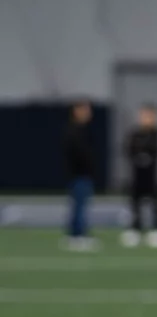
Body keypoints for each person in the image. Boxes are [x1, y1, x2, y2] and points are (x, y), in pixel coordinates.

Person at [121, 103, 157, 248]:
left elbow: (156, 150)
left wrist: (145, 155)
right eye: (144, 115)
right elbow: (129, 149)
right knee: (135, 203)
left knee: (155, 203)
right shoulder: (134, 133)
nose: (146, 119)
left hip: (152, 176)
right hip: (137, 175)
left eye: (149, 116)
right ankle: (135, 229)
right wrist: (139, 156)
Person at [63, 100, 98, 252]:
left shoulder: (82, 130)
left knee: (79, 205)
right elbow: (78, 155)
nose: (88, 113)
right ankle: (77, 235)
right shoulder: (74, 131)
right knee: (79, 205)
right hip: (79, 174)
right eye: (85, 110)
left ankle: (76, 234)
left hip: (81, 174)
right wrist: (86, 168)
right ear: (77, 111)